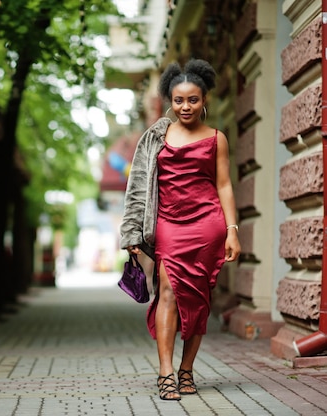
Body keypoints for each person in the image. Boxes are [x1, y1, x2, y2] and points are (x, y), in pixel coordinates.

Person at [120, 58, 241, 401]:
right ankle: (166, 373)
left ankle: (187, 369)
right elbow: (139, 185)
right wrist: (132, 233)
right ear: (169, 101)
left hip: (208, 226)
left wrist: (231, 230)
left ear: (204, 101)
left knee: (199, 301)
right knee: (169, 292)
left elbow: (225, 186)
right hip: (168, 225)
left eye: (192, 100)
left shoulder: (217, 139)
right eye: (178, 100)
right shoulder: (157, 137)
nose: (185, 106)